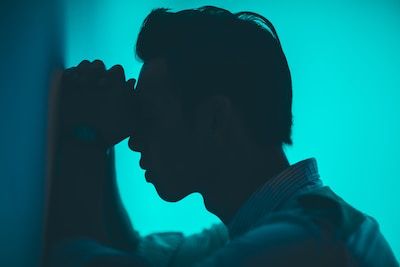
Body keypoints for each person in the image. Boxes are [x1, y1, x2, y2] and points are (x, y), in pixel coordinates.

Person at [44, 6, 399, 267]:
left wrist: (85, 134)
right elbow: (133, 253)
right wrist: (101, 137)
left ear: (215, 119)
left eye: (147, 116)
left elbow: (73, 259)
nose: (133, 138)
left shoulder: (307, 244)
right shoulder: (283, 227)